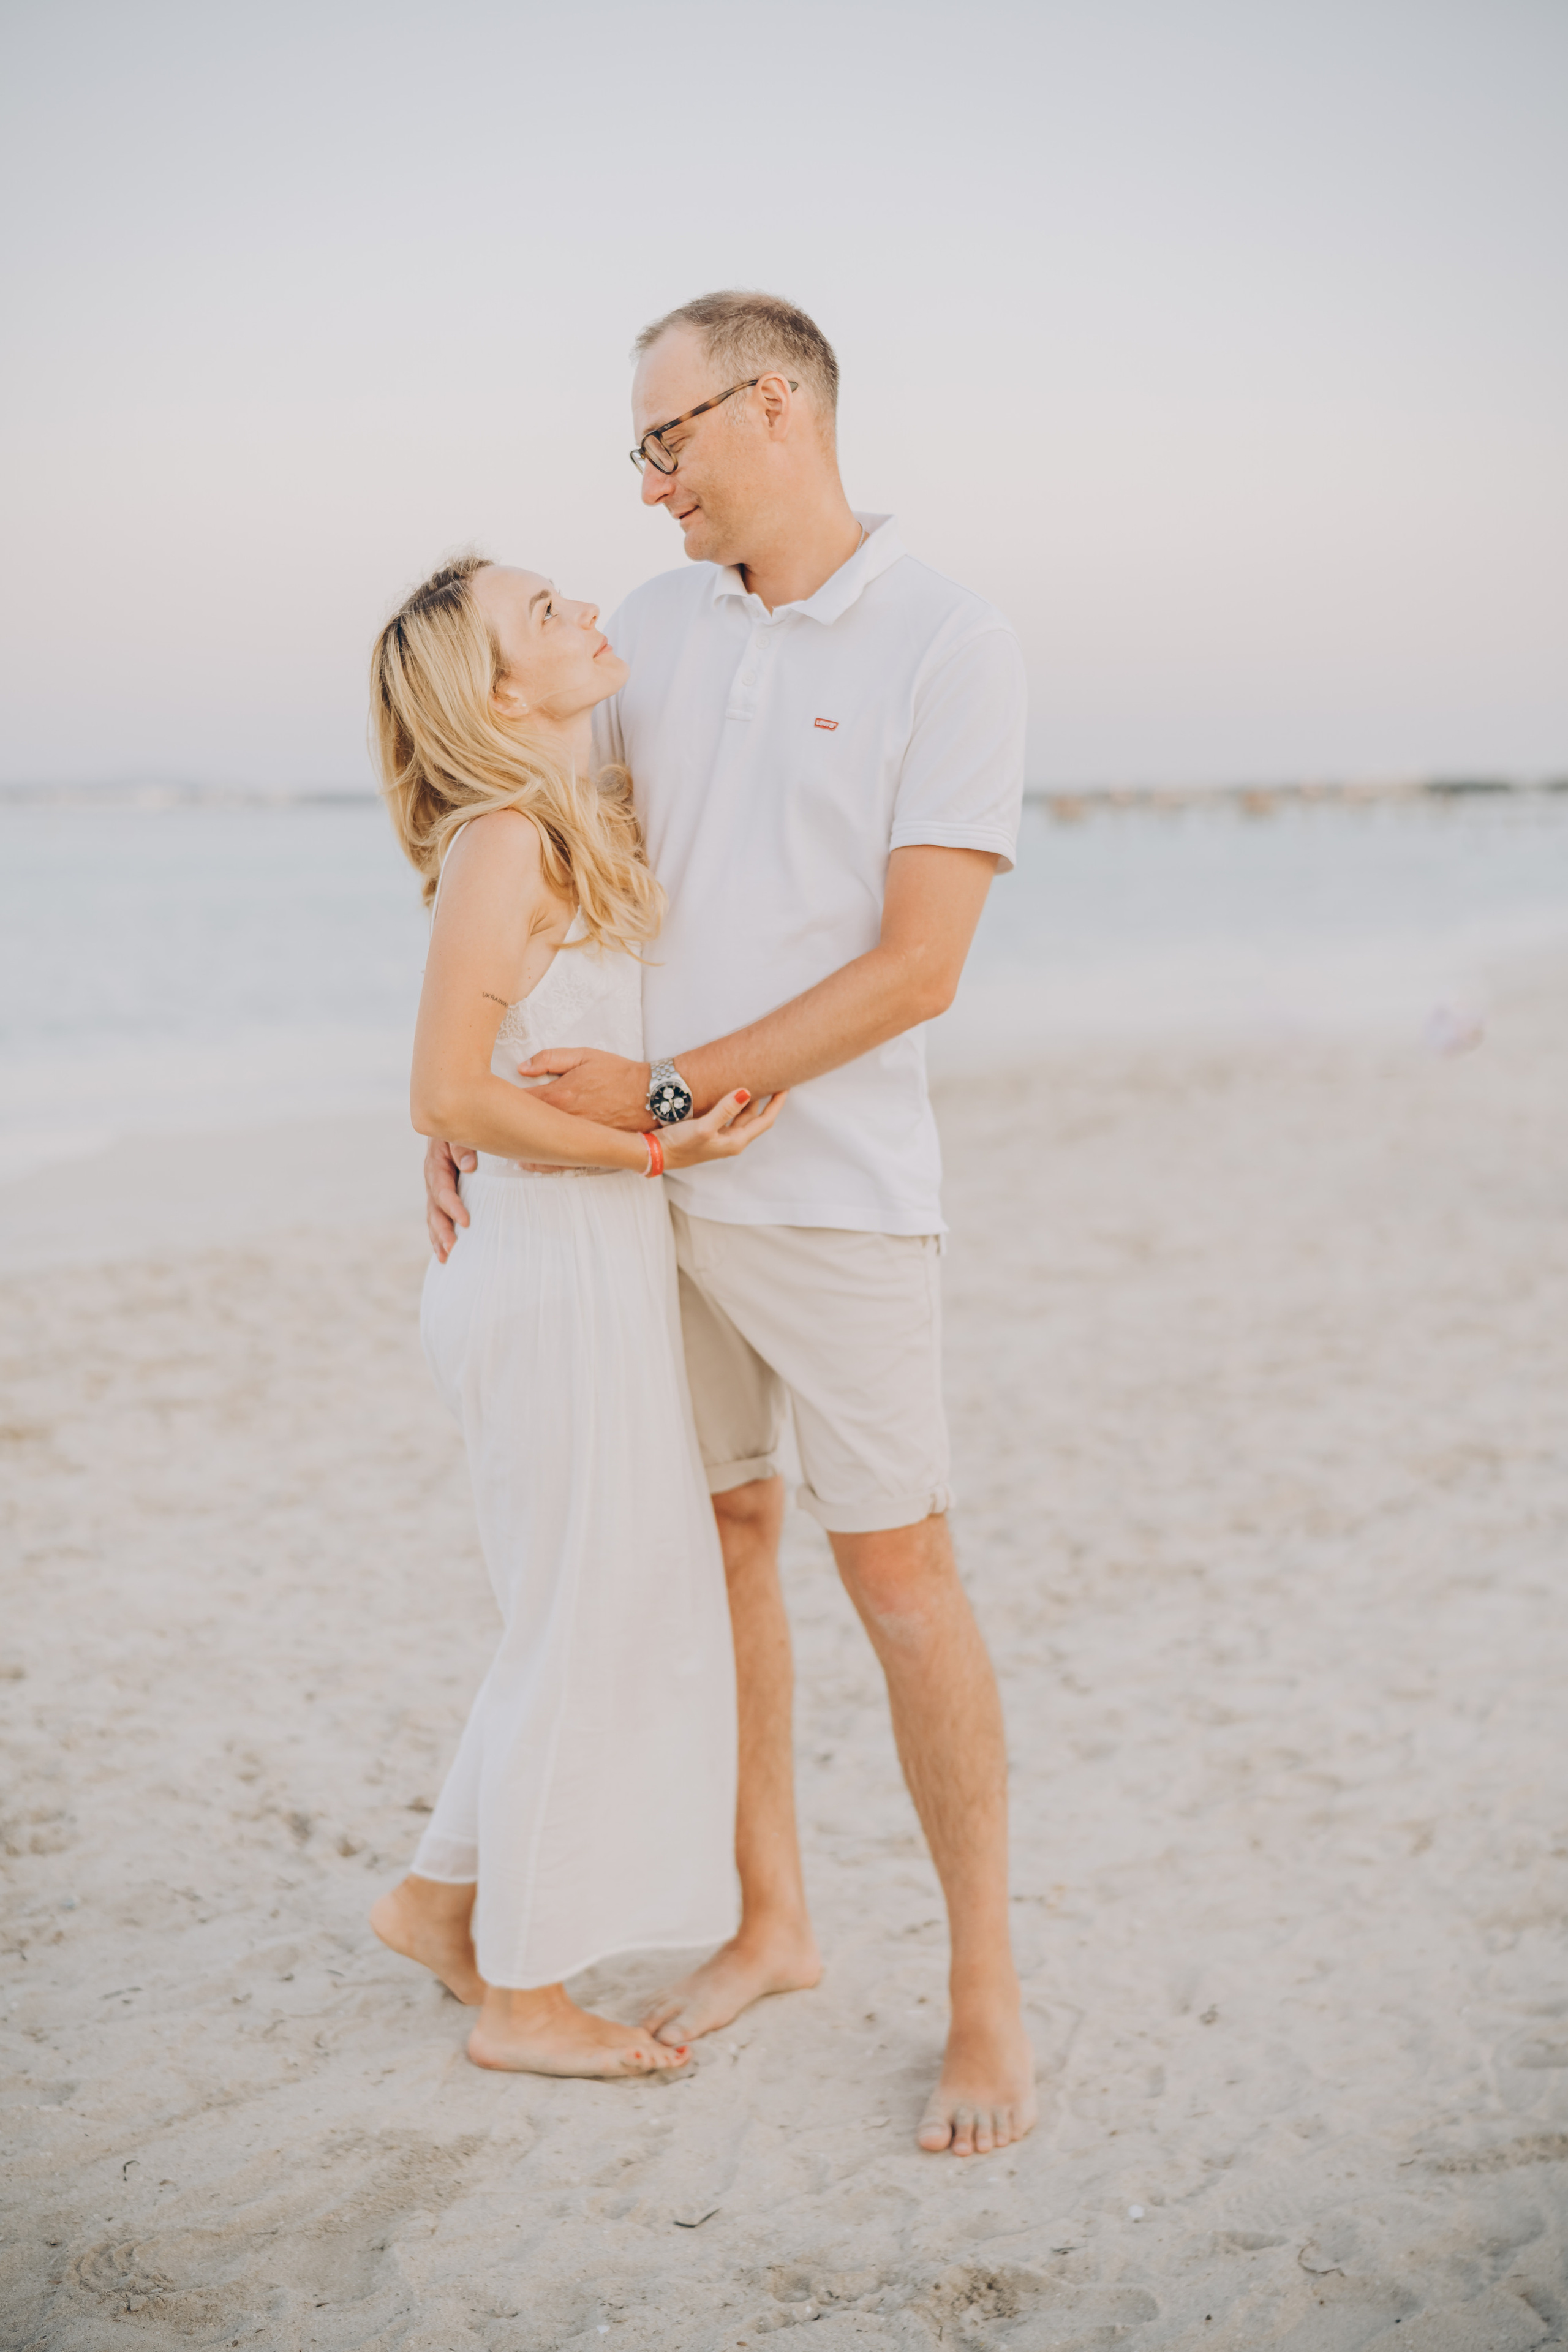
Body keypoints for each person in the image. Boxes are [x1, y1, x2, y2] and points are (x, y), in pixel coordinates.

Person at [426, 291, 1035, 2157]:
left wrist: (675, 1096)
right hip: (630, 1212)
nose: (646, 477)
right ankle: (774, 1922)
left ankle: (985, 2000)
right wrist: (450, 1102)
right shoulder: (658, 629)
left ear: (774, 407)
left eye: (664, 435)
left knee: (901, 1578)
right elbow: (529, 863)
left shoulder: (950, 637)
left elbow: (920, 968)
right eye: (637, 445)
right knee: (724, 1546)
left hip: (833, 1196)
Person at [367, 553, 785, 2079]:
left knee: (578, 1608)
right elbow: (445, 1088)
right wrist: (658, 1146)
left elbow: (491, 1065)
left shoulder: (558, 819)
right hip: (543, 1267)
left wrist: (632, 1153)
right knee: (584, 1621)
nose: (584, 612)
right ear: (495, 692)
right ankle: (524, 2002)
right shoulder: (499, 840)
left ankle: (434, 1903)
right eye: (544, 614)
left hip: (581, 1257)